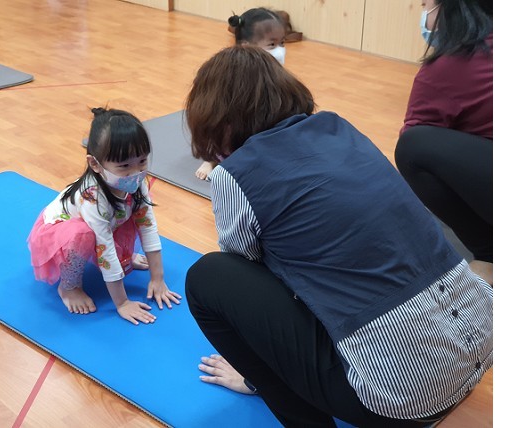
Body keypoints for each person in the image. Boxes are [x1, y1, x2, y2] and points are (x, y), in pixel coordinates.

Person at [184, 45, 493, 427]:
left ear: (215, 120)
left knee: (209, 276)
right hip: (482, 338)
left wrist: (258, 371)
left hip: (407, 397)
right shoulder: (337, 126)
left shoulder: (235, 174)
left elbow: (246, 266)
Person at [28, 107, 182, 323]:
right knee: (83, 234)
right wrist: (122, 303)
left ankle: (124, 256)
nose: (135, 172)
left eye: (142, 161)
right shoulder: (92, 198)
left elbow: (148, 227)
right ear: (95, 164)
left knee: (131, 211)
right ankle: (69, 287)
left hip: (105, 223)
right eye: (124, 166)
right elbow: (106, 251)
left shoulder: (134, 181)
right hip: (61, 234)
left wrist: (158, 279)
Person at [394, 0, 493, 285]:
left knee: (414, 147)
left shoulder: (450, 65)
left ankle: (489, 254)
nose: (423, 10)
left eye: (426, 3)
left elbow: (413, 133)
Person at [195, 7, 287, 181]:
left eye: (282, 43)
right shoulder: (228, 74)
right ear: (246, 46)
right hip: (231, 128)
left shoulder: (277, 74)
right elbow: (214, 114)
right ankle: (212, 160)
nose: (280, 51)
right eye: (272, 45)